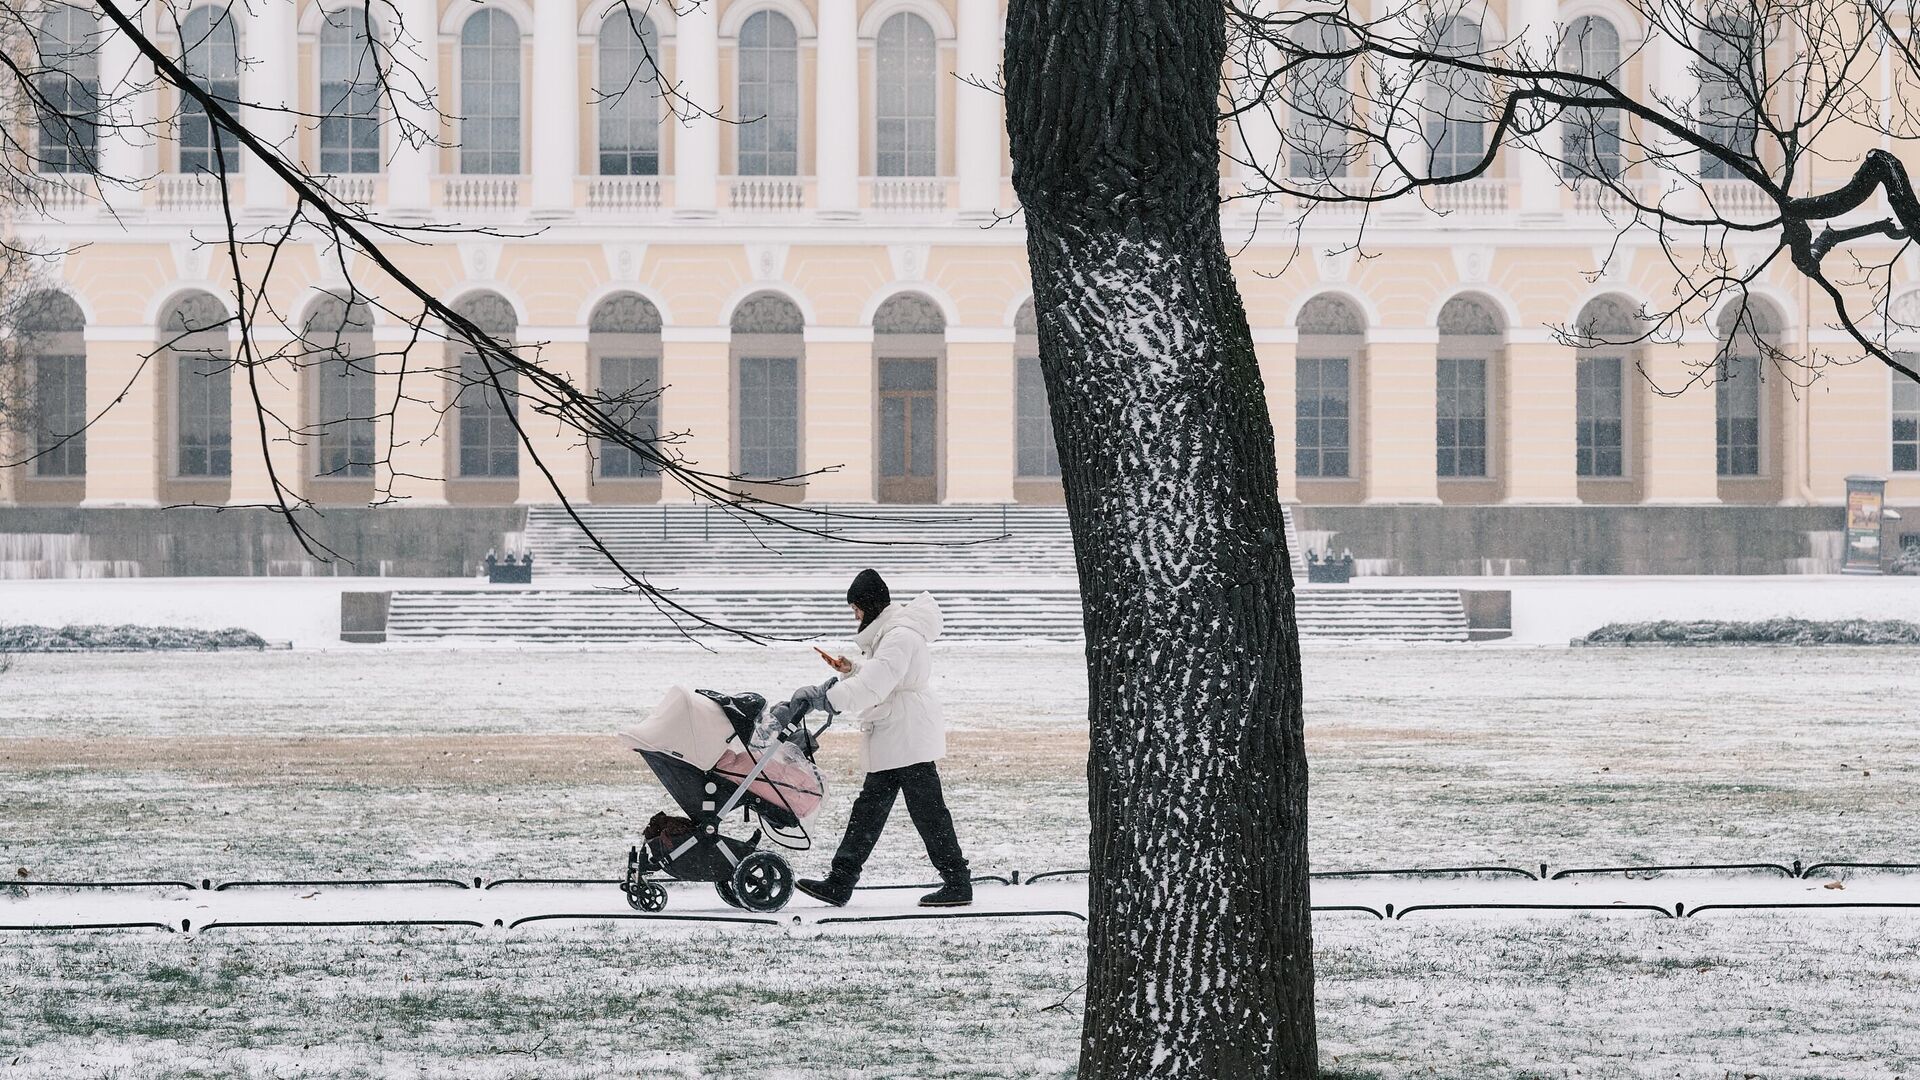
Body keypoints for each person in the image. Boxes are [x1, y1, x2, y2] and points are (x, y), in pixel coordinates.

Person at [785, 568, 972, 908]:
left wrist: (829, 699)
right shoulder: (891, 633)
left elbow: (878, 683)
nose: (854, 614)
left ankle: (956, 882)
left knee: (922, 813)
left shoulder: (898, 635)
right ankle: (842, 880)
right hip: (899, 732)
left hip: (906, 734)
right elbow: (881, 674)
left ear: (869, 605)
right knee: (875, 811)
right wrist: (851, 669)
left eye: (855, 607)